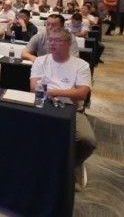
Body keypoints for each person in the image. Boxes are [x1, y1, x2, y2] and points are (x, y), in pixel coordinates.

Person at [29, 28, 96, 191]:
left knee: (87, 141)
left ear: (68, 43)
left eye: (57, 40)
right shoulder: (41, 61)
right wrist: (66, 91)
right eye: (50, 40)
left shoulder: (81, 65)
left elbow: (82, 93)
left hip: (71, 110)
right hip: (43, 105)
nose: (52, 43)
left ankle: (73, 165)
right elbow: (34, 87)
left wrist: (54, 92)